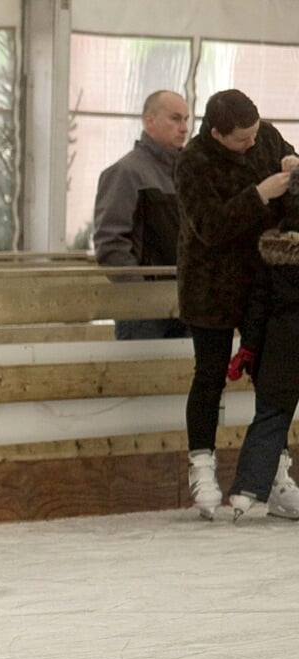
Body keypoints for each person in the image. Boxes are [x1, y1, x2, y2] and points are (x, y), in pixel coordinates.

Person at [174, 88, 298, 520]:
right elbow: (211, 226)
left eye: (253, 134)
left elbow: (291, 171)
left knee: (274, 377)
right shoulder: (192, 162)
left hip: (262, 282)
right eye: (241, 139)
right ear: (216, 133)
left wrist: (293, 168)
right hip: (210, 285)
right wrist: (259, 193)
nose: (251, 143)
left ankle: (274, 473)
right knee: (209, 375)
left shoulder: (265, 136)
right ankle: (202, 466)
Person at [93, 90, 192, 340]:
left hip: (187, 304)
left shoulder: (190, 176)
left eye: (186, 120)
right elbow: (110, 243)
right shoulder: (126, 174)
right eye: (175, 118)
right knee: (140, 376)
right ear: (150, 121)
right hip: (143, 312)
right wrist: (141, 292)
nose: (184, 128)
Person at [225, 192, 299, 520]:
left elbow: (257, 307)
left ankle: (245, 491)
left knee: (270, 417)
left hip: (281, 345)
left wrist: (248, 348)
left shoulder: (271, 254)